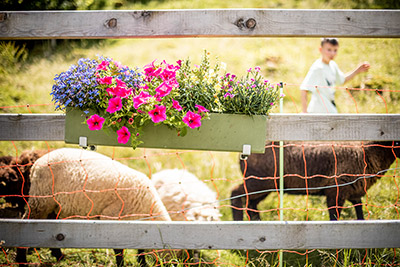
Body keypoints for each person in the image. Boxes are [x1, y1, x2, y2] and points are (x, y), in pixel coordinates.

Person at [300, 38, 370, 113]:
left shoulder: (333, 65)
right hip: (318, 112)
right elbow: (304, 88)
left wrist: (357, 71)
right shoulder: (318, 68)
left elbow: (342, 80)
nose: (332, 53)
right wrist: (304, 112)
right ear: (320, 49)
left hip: (331, 110)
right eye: (329, 50)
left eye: (335, 50)